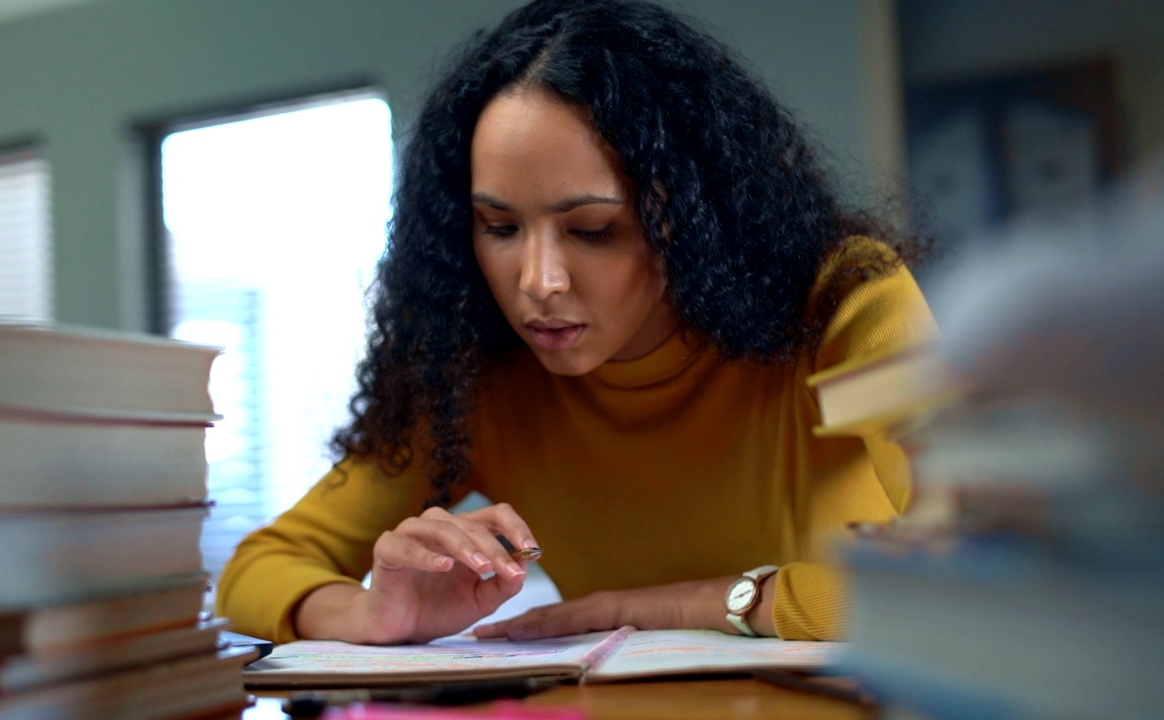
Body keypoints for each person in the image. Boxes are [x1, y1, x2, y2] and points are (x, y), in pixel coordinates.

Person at [216, 0, 937, 645]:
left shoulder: (836, 314)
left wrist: (703, 602)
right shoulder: (480, 374)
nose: (539, 283)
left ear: (691, 217)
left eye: (592, 229)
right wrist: (370, 613)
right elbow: (259, 568)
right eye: (498, 226)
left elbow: (994, 569)